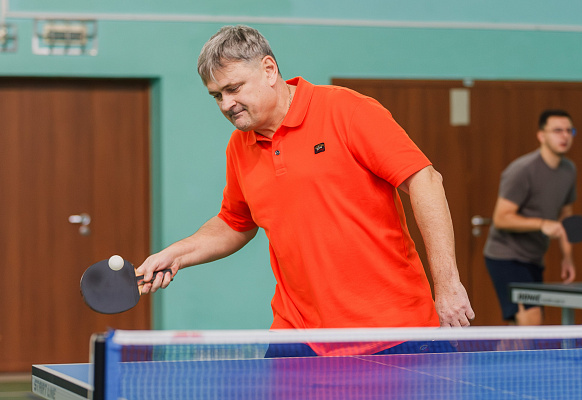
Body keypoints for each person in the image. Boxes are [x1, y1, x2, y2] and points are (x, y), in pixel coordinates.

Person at [138, 25, 474, 356]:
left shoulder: (348, 110)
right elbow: (235, 223)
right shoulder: (239, 146)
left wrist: (447, 285)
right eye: (217, 96)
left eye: (234, 88)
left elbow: (426, 181)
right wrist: (176, 255)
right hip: (299, 336)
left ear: (269, 69)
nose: (227, 104)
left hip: (391, 329)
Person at [484, 109, 577, 326]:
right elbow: (501, 218)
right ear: (541, 135)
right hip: (506, 255)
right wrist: (542, 224)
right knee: (531, 320)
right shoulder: (522, 170)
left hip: (534, 258)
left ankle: (503, 350)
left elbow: (566, 216)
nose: (564, 136)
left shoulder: (569, 170)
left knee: (522, 328)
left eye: (569, 130)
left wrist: (567, 257)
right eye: (557, 130)